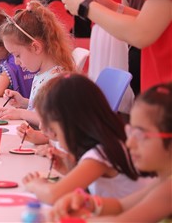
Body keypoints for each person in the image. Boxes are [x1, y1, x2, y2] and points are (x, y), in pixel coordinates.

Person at [50, 83, 172, 222]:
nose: (129, 143)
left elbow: (122, 221)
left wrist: (80, 219)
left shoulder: (169, 189)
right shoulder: (163, 181)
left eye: (139, 134)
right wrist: (88, 203)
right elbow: (121, 206)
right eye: (130, 131)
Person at [22, 74, 150, 205]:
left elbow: (53, 195)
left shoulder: (100, 154)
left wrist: (35, 184)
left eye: (55, 130)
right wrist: (70, 169)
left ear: (72, 125)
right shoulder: (108, 143)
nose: (47, 131)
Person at [0, 0, 75, 126]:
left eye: (17, 55)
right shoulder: (44, 72)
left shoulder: (56, 80)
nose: (16, 62)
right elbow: (43, 109)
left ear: (36, 47)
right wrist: (24, 102)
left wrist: (21, 113)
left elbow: (52, 121)